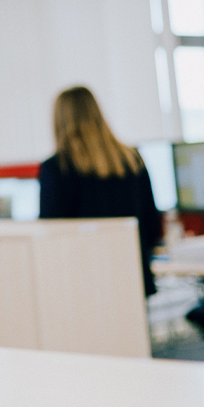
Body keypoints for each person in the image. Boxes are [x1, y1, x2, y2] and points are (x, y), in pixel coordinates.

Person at [38, 86, 162, 296]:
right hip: (133, 275)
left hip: (85, 283)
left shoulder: (57, 168)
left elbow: (50, 233)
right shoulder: (132, 159)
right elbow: (153, 226)